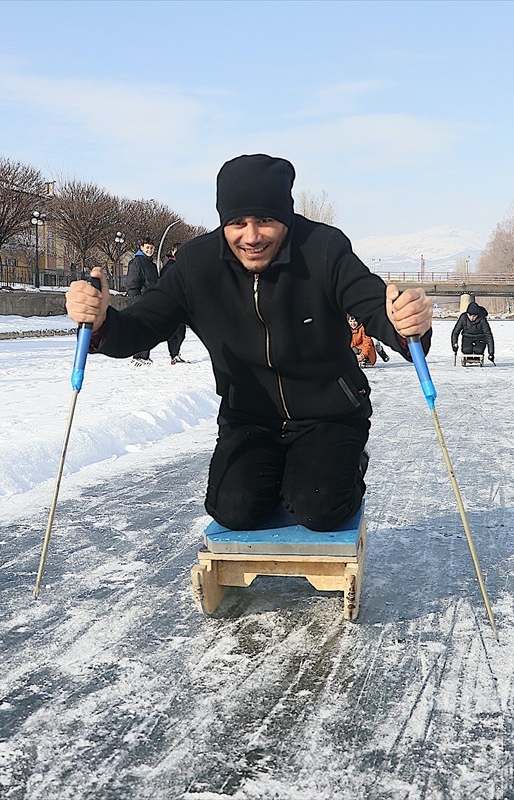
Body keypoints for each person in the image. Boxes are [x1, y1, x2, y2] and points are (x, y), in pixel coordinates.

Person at [65, 154, 433, 532]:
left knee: (320, 508)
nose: (252, 236)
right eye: (238, 223)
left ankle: (344, 463)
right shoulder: (196, 265)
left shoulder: (324, 249)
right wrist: (102, 322)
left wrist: (405, 323)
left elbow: (375, 306)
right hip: (250, 418)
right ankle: (278, 475)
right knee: (234, 510)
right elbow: (143, 325)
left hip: (329, 414)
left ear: (285, 219)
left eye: (265, 221)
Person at [124, 238, 158, 365]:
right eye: (147, 247)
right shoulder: (136, 263)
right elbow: (131, 284)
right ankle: (137, 356)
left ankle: (145, 356)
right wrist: (138, 300)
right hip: (141, 302)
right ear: (142, 248)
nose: (149, 250)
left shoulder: (152, 265)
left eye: (151, 248)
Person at [160, 243, 188, 364]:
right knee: (174, 332)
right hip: (171, 302)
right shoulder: (169, 267)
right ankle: (173, 355)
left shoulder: (183, 266)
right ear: (172, 251)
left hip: (182, 303)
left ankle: (176, 353)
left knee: (182, 333)